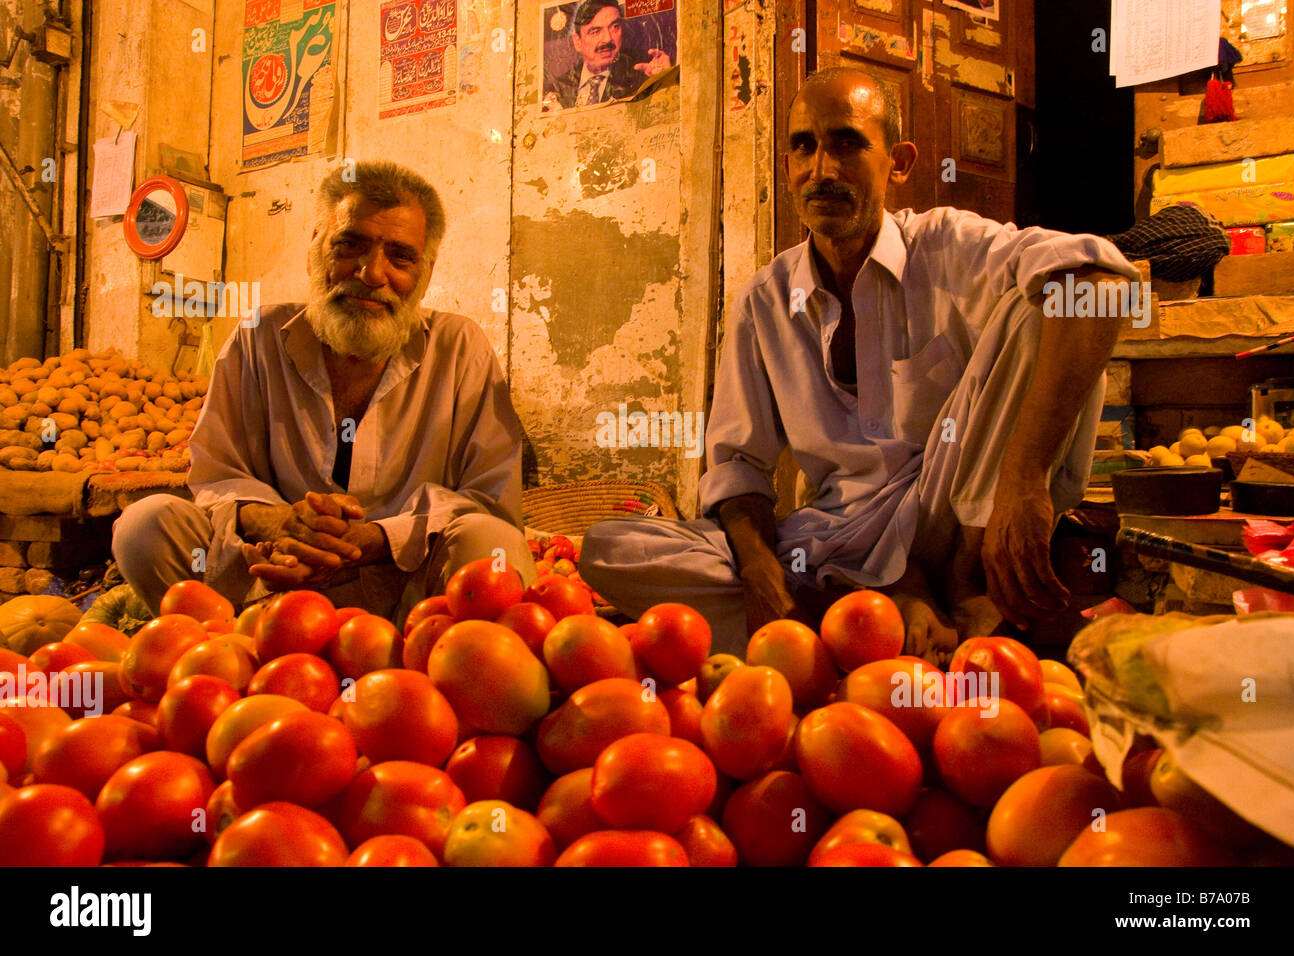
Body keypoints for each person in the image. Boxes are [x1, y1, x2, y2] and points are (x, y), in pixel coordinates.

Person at [579, 67, 1140, 663]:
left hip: (954, 523)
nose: (820, 169)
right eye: (804, 146)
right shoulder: (763, 302)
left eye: (846, 142)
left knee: (1047, 303)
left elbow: (1100, 281)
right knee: (615, 548)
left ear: (898, 161)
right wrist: (761, 572)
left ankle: (954, 594)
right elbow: (737, 467)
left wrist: (1025, 484)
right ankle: (882, 607)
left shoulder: (948, 245)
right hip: (835, 543)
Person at [112, 161, 534, 623]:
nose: (373, 274)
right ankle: (226, 656)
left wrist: (376, 539)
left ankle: (430, 667)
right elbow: (215, 476)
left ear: (426, 273)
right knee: (144, 525)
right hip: (271, 588)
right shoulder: (259, 336)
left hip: (410, 596)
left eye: (400, 256)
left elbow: (490, 499)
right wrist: (279, 523)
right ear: (316, 249)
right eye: (350, 245)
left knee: (494, 544)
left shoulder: (459, 346)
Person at [542, 0, 672, 110]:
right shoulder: (558, 87)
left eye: (615, 27)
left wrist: (665, 81)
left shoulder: (641, 78)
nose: (608, 38)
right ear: (578, 42)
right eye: (595, 31)